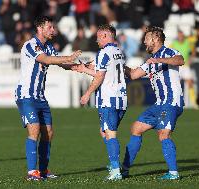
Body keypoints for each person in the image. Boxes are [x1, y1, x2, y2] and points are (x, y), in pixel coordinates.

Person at [15, 16, 81, 181]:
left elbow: (61, 64)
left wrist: (84, 67)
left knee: (48, 133)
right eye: (50, 27)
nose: (53, 30)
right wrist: (68, 57)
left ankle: (43, 171)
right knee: (34, 129)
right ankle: (32, 172)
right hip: (26, 95)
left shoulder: (49, 46)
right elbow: (46, 59)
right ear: (40, 28)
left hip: (40, 97)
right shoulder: (30, 45)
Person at [122, 26, 184, 180]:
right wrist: (117, 65)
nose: (144, 41)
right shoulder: (150, 60)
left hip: (171, 101)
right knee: (136, 128)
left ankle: (173, 173)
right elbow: (134, 74)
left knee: (163, 134)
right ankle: (124, 169)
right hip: (159, 104)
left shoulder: (169, 52)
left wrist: (159, 60)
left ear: (155, 39)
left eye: (146, 38)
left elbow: (180, 60)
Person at [72, 24, 127, 180]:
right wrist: (84, 69)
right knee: (104, 131)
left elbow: (100, 76)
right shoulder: (118, 51)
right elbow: (101, 71)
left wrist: (87, 94)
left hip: (108, 99)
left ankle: (116, 170)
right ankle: (114, 162)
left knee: (110, 133)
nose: (96, 39)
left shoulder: (104, 52)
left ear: (105, 35)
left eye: (98, 36)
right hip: (121, 99)